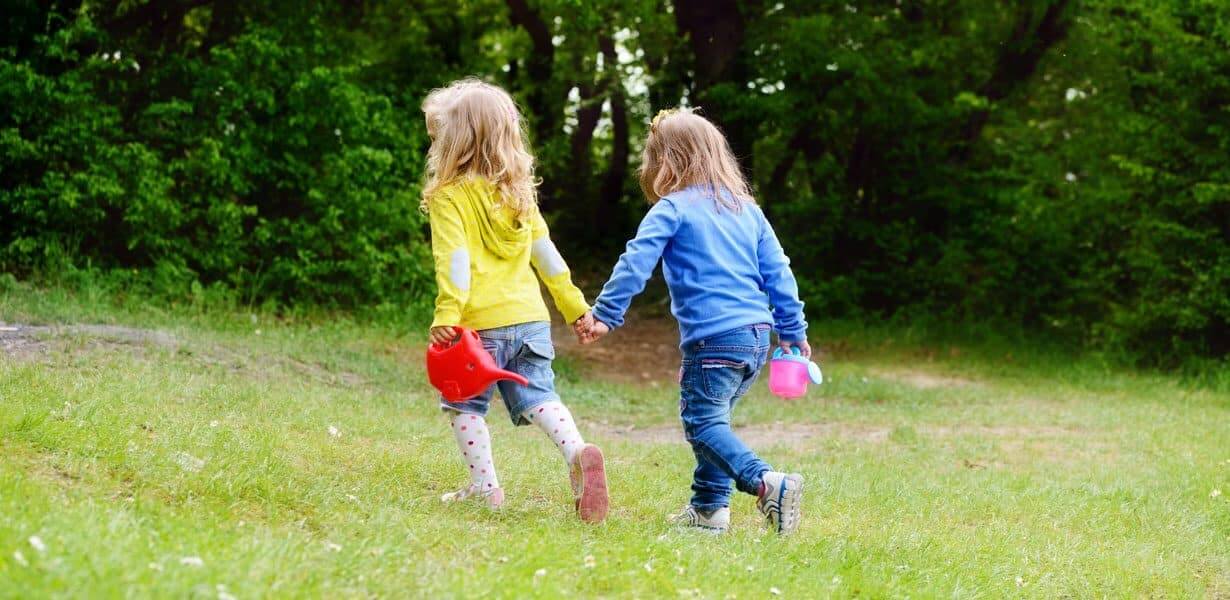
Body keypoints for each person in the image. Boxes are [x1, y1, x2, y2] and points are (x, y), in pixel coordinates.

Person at [577, 108, 809, 534]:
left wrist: (606, 314)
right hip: (756, 339)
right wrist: (793, 330)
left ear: (666, 162)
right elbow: (779, 272)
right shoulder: (748, 210)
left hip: (714, 340)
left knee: (703, 425)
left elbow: (634, 264)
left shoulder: (673, 208)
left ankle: (767, 483)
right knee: (715, 422)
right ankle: (708, 511)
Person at [422, 79, 607, 522]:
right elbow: (548, 257)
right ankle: (577, 451)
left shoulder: (451, 196)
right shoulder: (519, 192)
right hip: (530, 320)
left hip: (478, 324)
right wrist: (576, 307)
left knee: (463, 405)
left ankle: (486, 489)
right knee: (540, 395)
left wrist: (447, 312)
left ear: (455, 141)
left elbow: (456, 261)